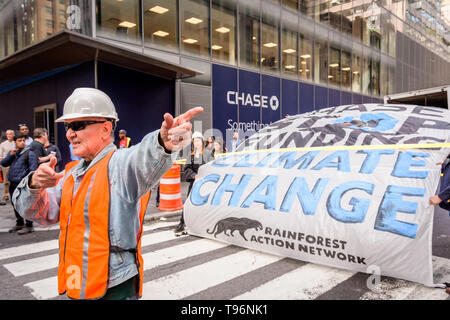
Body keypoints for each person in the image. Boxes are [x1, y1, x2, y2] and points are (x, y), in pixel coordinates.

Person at [12, 87, 203, 300]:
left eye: (77, 125)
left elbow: (142, 159)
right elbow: (37, 213)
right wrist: (34, 184)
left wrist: (162, 144)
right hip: (78, 283)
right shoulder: (71, 174)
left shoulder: (119, 164)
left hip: (113, 287)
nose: (69, 133)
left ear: (105, 129)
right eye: (68, 126)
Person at [1, 133, 39, 234]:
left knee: (26, 205)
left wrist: (26, 181)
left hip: (22, 184)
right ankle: (19, 223)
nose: (22, 142)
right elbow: (3, 163)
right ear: (15, 142)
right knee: (15, 204)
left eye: (23, 140)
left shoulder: (29, 153)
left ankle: (29, 225)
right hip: (13, 183)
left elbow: (33, 170)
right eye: (19, 141)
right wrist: (10, 155)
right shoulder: (14, 153)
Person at [175, 131, 206, 235]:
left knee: (204, 205)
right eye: (195, 141)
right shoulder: (191, 156)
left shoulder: (208, 154)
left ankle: (202, 224)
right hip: (194, 184)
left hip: (206, 185)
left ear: (202, 141)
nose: (197, 143)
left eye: (198, 140)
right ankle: (182, 223)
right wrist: (194, 176)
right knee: (188, 204)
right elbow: (187, 169)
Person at [0, 129, 15, 205]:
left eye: (10, 134)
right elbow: (1, 156)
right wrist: (1, 165)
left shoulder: (15, 143)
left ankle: (14, 194)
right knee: (6, 181)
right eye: (7, 134)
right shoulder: (3, 144)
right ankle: (6, 195)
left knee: (14, 180)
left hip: (14, 164)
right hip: (5, 165)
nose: (9, 135)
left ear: (13, 135)